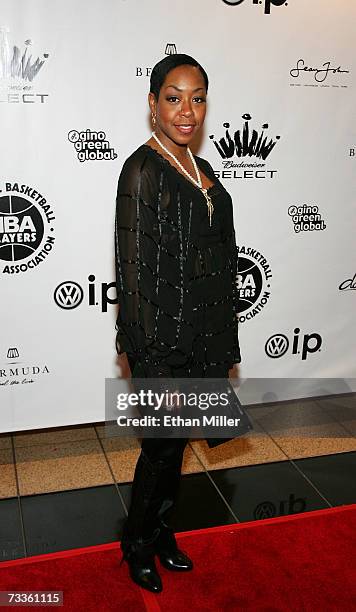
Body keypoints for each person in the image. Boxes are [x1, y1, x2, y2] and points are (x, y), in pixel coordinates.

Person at [114, 53, 241, 594]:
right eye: (173, 97)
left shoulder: (198, 165)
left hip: (199, 334)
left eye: (197, 98)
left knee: (179, 446)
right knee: (161, 447)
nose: (186, 110)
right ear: (152, 104)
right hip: (162, 342)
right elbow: (135, 269)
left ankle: (161, 532)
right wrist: (153, 359)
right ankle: (137, 545)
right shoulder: (142, 170)